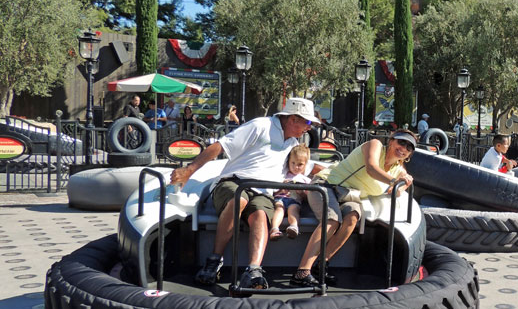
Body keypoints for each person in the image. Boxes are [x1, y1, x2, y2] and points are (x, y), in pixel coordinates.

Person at [170, 97, 320, 290]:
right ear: (293, 119)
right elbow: (221, 146)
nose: (308, 128)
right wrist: (189, 170)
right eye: (307, 122)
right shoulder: (260, 126)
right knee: (238, 200)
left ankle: (254, 270)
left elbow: (310, 167)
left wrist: (341, 173)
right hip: (233, 182)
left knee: (260, 214)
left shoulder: (292, 143)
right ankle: (214, 260)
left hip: (263, 189)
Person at [291, 129, 417, 287]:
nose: (403, 148)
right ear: (391, 141)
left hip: (350, 195)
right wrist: (395, 181)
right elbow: (371, 168)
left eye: (409, 147)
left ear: (410, 154)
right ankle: (302, 272)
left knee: (352, 218)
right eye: (401, 142)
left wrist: (405, 183)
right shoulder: (375, 145)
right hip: (327, 185)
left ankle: (321, 265)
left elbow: (396, 191)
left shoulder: (398, 171)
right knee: (332, 220)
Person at [269, 145, 313, 241]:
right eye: (293, 163)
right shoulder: (282, 175)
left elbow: (308, 198)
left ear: (306, 165)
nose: (295, 167)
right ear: (288, 161)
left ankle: (293, 226)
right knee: (279, 208)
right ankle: (274, 228)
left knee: (294, 209)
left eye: (300, 164)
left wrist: (301, 193)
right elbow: (273, 191)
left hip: (294, 200)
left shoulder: (305, 180)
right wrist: (281, 188)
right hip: (280, 198)